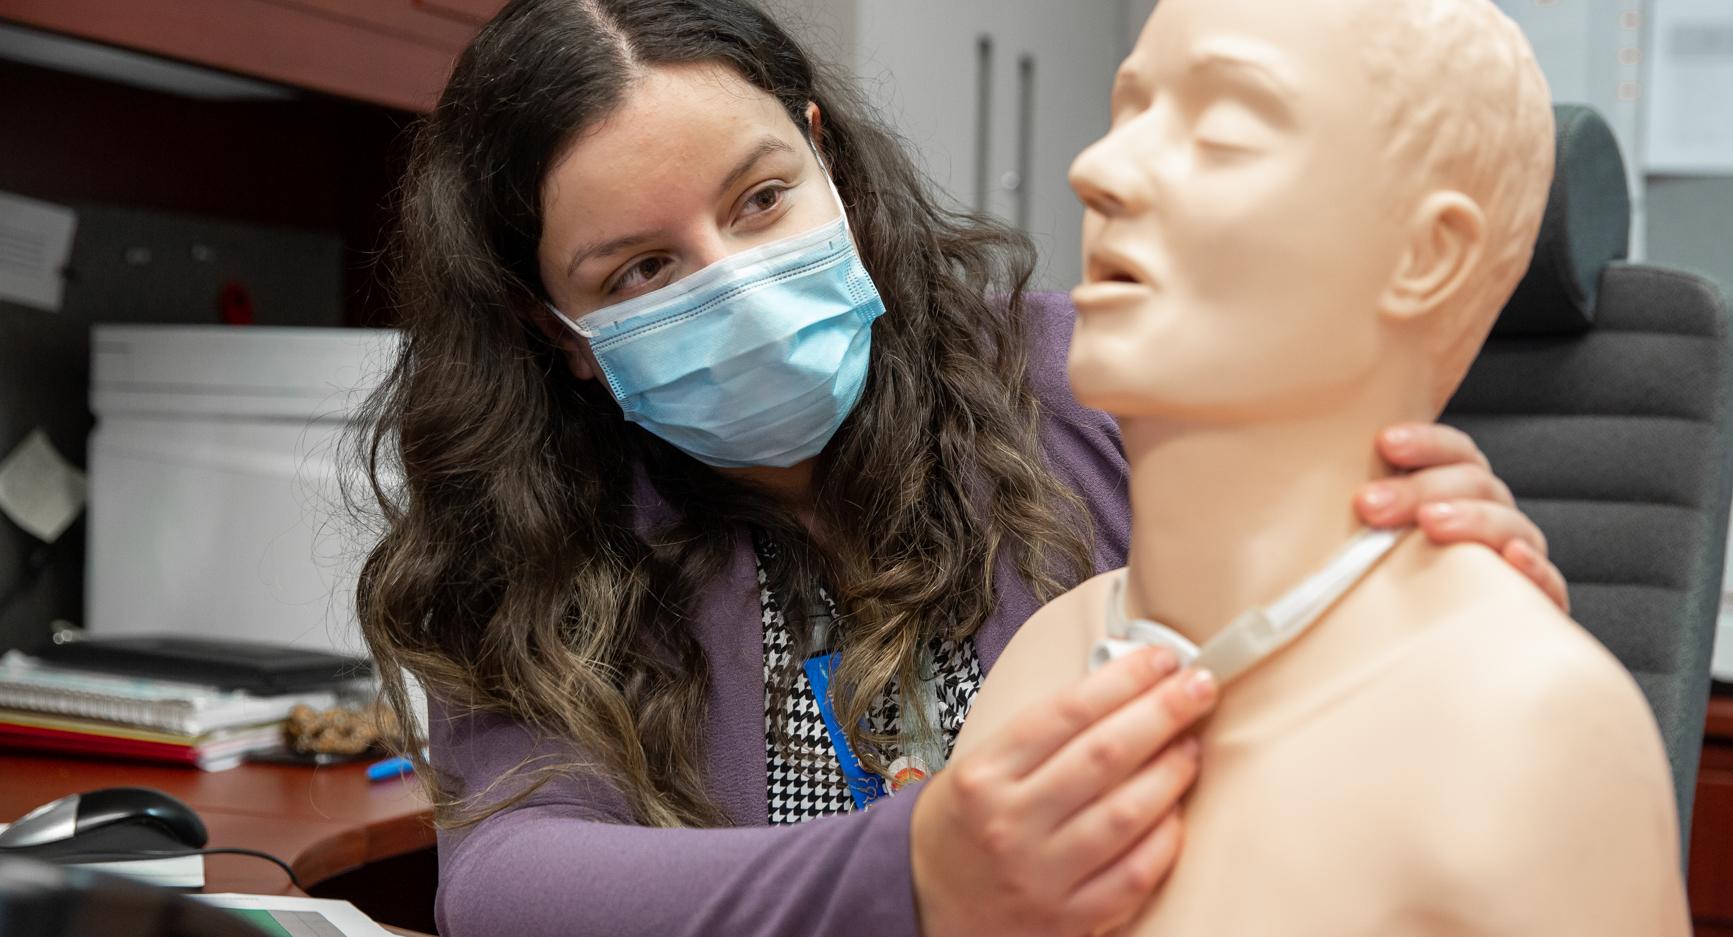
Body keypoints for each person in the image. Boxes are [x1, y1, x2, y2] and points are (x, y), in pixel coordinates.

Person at [354, 2, 1570, 935]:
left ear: (823, 156)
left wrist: (1432, 590)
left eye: (763, 198)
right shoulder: (536, 525)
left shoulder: (1100, 381)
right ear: (553, 329)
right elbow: (514, 882)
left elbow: (1347, 724)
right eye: (639, 272)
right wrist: (917, 865)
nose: (732, 279)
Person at [955, 0, 1690, 933]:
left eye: (1221, 126)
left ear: (1429, 254)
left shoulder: (1527, 730)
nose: (1096, 169)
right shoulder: (1046, 658)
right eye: (1128, 112)